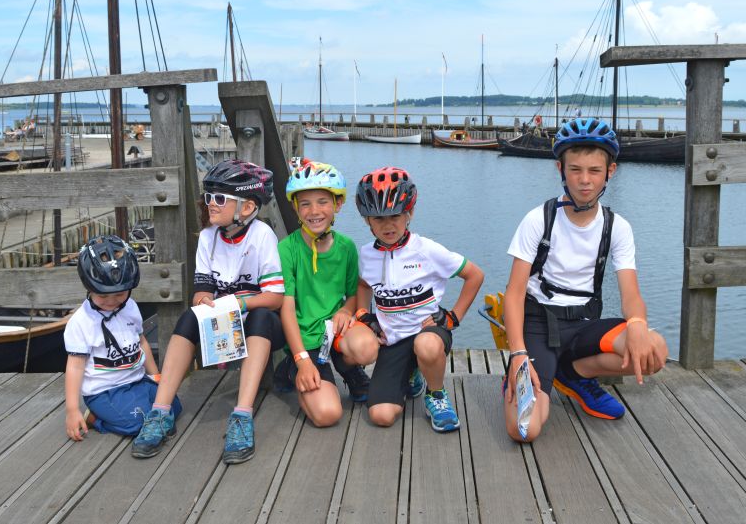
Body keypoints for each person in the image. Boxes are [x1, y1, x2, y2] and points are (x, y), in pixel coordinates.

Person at [501, 117, 668, 442]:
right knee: (525, 430)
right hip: (538, 324)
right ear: (560, 170)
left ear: (611, 171)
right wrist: (518, 353)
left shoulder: (616, 227)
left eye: (594, 170)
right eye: (575, 170)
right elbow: (514, 293)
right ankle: (520, 378)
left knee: (654, 349)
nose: (584, 181)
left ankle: (573, 375)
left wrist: (636, 323)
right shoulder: (539, 219)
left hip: (583, 323)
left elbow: (630, 293)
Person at [132, 159, 285, 463]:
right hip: (223, 322)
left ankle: (242, 415)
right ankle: (160, 412)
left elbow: (275, 298)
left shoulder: (262, 236)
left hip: (260, 324)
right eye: (208, 197)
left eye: (219, 198)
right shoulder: (208, 237)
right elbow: (203, 289)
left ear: (247, 207)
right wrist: (204, 302)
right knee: (189, 317)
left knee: (262, 317)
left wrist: (240, 303)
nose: (210, 205)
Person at [340, 167, 484, 432]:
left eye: (395, 216)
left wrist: (453, 317)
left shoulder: (427, 250)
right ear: (367, 221)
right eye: (378, 218)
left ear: (410, 213)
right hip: (393, 339)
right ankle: (412, 374)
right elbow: (363, 283)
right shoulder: (366, 255)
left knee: (427, 346)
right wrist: (363, 313)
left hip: (429, 331)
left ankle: (436, 395)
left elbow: (474, 275)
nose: (388, 225)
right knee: (381, 416)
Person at [275, 161, 370, 427]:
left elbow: (352, 294)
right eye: (304, 203)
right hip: (304, 340)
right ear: (295, 207)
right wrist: (301, 359)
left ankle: (349, 371)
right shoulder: (287, 249)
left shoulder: (347, 247)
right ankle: (294, 369)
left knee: (367, 348)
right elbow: (286, 307)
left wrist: (345, 310)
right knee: (328, 414)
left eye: (322, 202)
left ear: (337, 205)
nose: (314, 211)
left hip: (334, 333)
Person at [63, 235, 177, 441]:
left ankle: (136, 407)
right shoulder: (82, 321)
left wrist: (154, 375)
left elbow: (141, 342)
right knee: (138, 424)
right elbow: (75, 366)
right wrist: (72, 409)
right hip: (104, 391)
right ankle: (94, 418)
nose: (112, 301)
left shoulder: (131, 307)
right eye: (103, 295)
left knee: (172, 405)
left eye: (119, 294)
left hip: (136, 380)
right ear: (88, 287)